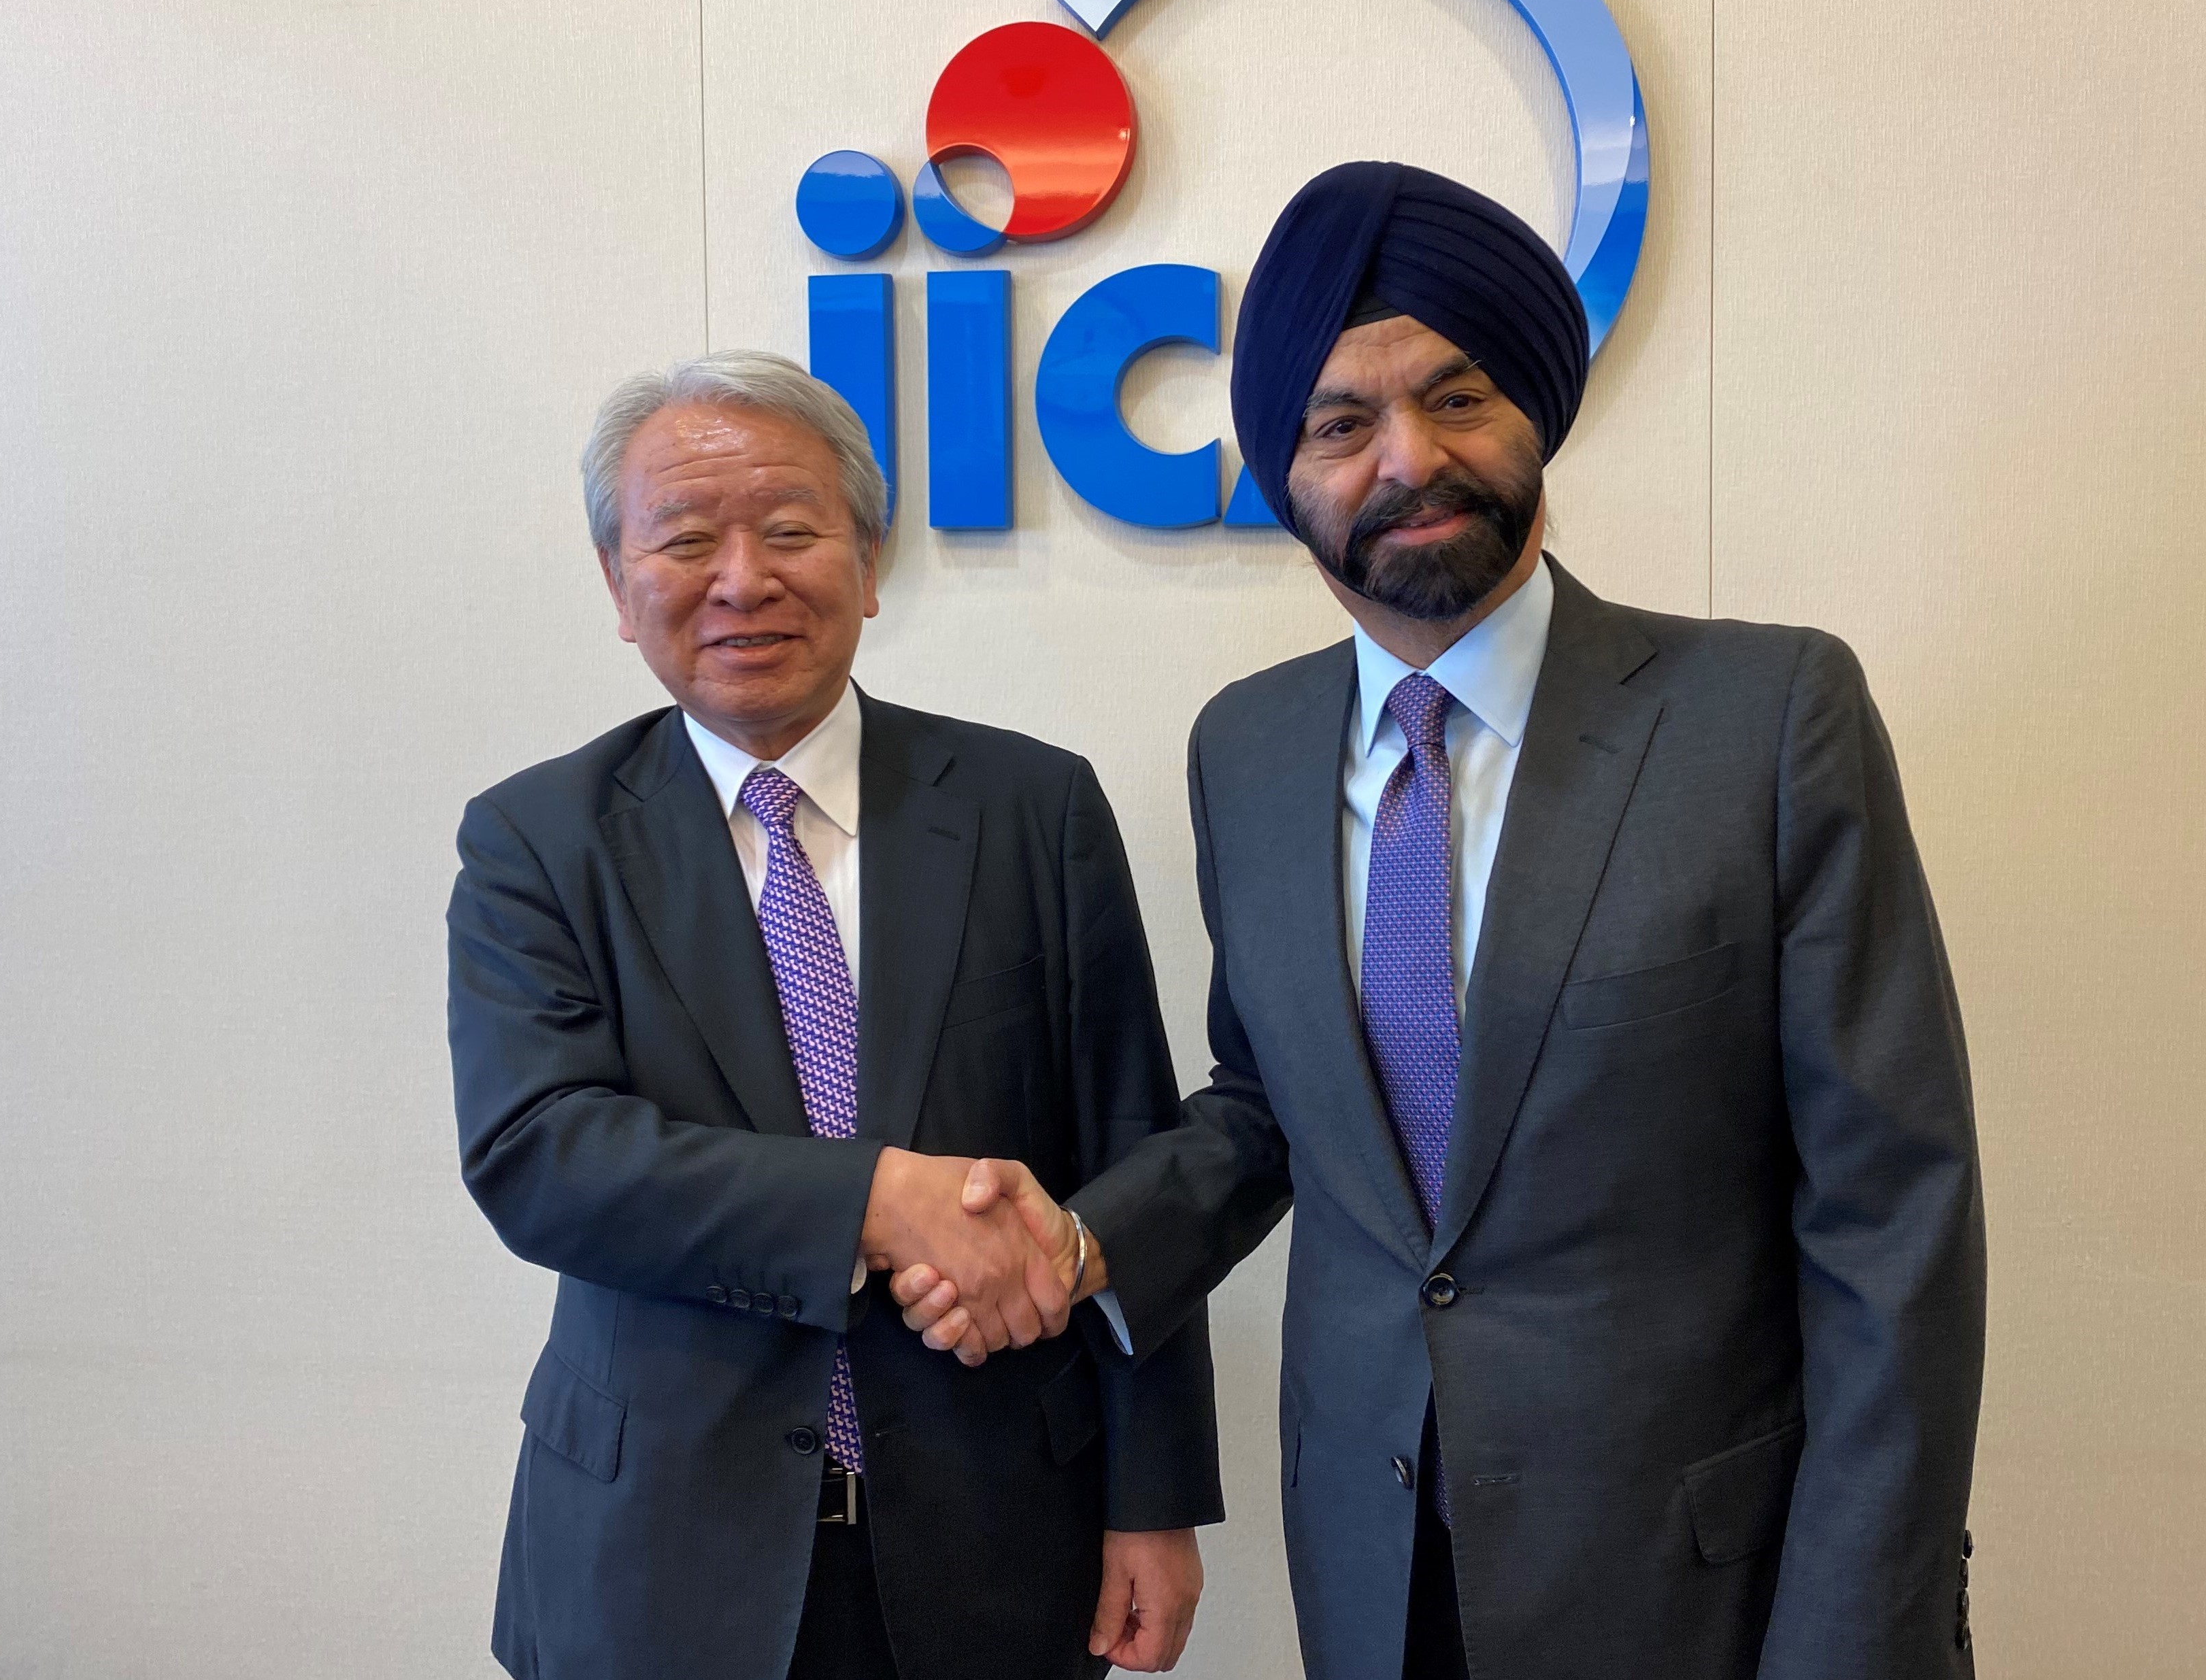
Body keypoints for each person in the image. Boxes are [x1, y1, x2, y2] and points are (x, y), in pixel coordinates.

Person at [894, 163, 1988, 1679]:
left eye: (1457, 398)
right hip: (1373, 1562)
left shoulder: (1766, 716)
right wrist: (1079, 1243)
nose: (1410, 458)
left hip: (1698, 1583)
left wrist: (1853, 1639)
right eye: (1341, 424)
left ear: (1534, 414)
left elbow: (1892, 1219)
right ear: (1284, 476)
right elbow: (1269, 1107)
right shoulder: (1248, 747)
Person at [446, 351, 1216, 1680]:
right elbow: (543, 1158)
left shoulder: (1031, 810)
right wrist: (878, 1201)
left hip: (996, 1542)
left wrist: (1154, 1495)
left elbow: (1130, 1157)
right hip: (659, 1549)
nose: (742, 579)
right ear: (618, 585)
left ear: (868, 561)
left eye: (791, 531)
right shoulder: (539, 839)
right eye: (687, 540)